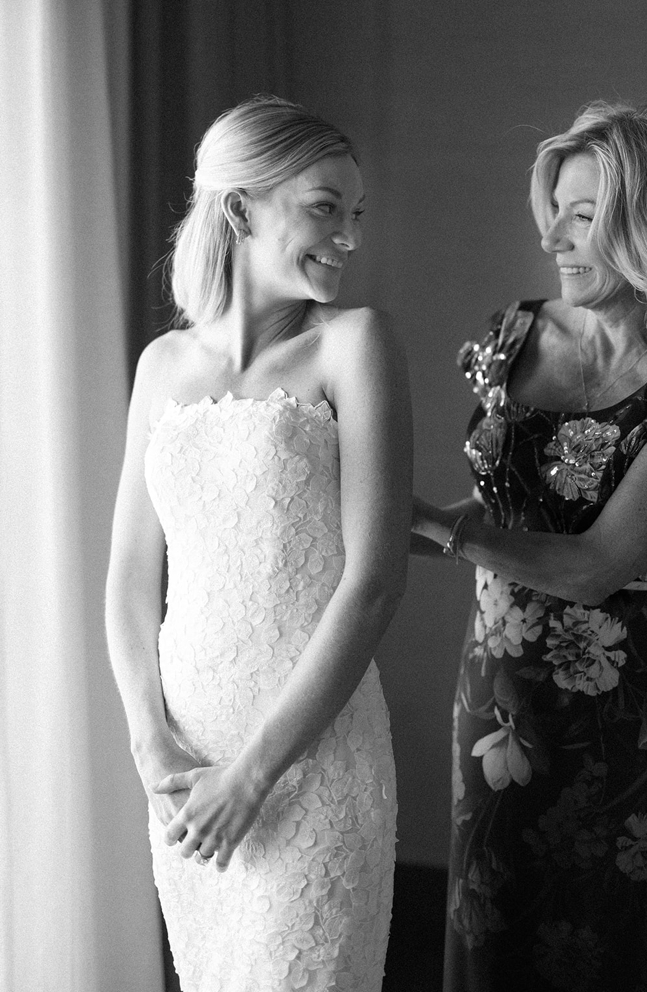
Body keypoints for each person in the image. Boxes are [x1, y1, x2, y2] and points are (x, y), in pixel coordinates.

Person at [104, 95, 412, 990]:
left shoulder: (354, 346)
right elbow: (129, 577)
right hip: (185, 767)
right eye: (325, 208)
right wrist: (147, 742)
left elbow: (376, 582)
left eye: (355, 215)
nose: (348, 237)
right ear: (240, 208)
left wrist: (254, 776)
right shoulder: (161, 366)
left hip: (311, 763)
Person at [412, 101, 647, 991]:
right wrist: (372, 527)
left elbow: (596, 561)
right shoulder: (515, 334)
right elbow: (506, 510)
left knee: (610, 932)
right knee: (492, 914)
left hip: (632, 706)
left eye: (584, 217)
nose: (555, 241)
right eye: (555, 213)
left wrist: (427, 524)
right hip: (498, 687)